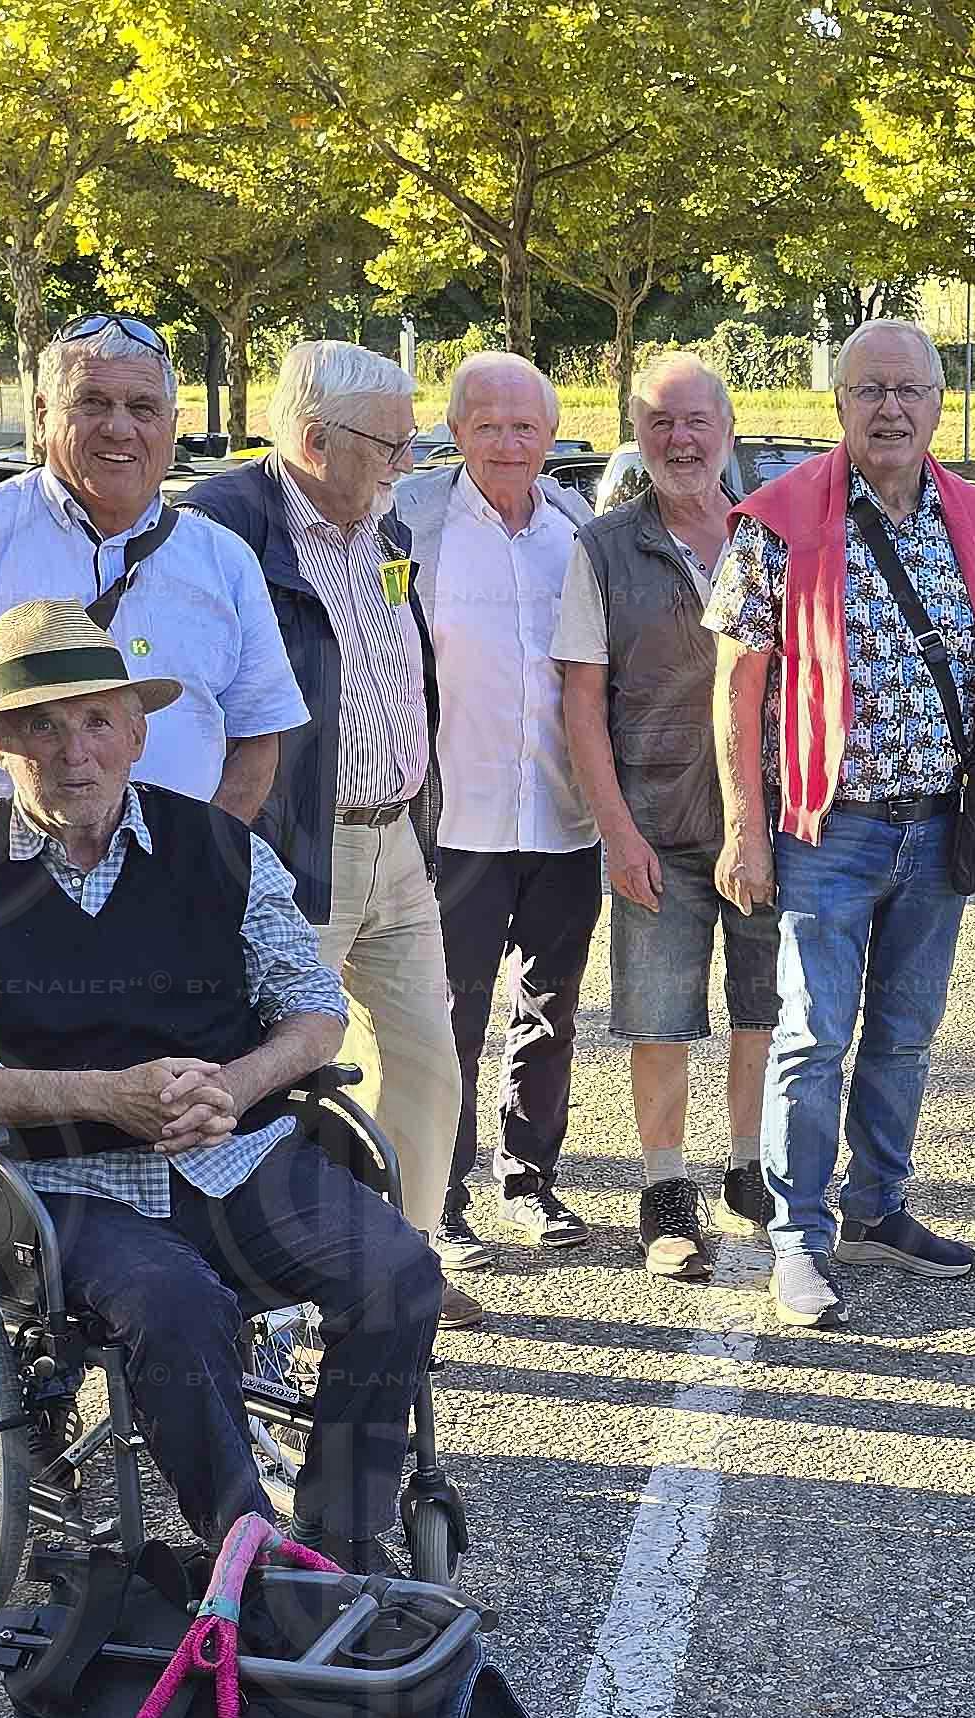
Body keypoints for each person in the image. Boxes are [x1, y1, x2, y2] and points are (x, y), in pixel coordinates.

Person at [0, 598, 442, 1575]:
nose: (73, 749)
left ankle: (341, 1533)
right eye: (41, 725)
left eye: (97, 719)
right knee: (175, 1306)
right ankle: (245, 1555)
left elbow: (311, 1007)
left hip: (230, 1149)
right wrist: (104, 1093)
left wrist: (238, 1081)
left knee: (395, 1271)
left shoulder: (216, 850)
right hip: (57, 1185)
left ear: (137, 732)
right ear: (0, 742)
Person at [706, 317, 975, 1328]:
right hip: (827, 828)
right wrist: (743, 827)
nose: (889, 409)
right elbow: (736, 681)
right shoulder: (777, 519)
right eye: (868, 391)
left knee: (905, 1031)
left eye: (909, 391)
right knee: (813, 1036)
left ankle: (876, 1203)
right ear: (838, 405)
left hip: (941, 827)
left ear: (938, 404)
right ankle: (797, 1240)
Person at [0, 314, 305, 971]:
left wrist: (193, 872)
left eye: (142, 407)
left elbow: (256, 741)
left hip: (168, 912)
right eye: (92, 403)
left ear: (172, 423)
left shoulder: (225, 561)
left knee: (171, 1075)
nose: (120, 427)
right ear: (42, 414)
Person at [182, 341, 479, 1330]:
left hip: (396, 841)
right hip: (289, 851)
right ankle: (281, 1290)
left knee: (428, 1063)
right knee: (282, 1076)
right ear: (314, 440)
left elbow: (402, 673)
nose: (405, 465)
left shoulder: (382, 527)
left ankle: (407, 1263)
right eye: (390, 446)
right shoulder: (223, 532)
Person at [556, 352, 775, 1278]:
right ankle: (665, 1189)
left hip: (767, 820)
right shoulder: (604, 548)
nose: (679, 440)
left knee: (765, 1008)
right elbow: (579, 702)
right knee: (659, 1017)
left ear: (728, 428)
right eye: (659, 424)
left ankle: (750, 1169)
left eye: (695, 421)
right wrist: (616, 830)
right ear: (636, 436)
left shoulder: (773, 534)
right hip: (656, 823)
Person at [394, 353, 600, 1265]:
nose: (509, 443)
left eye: (526, 427)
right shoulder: (413, 526)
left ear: (551, 437)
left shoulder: (578, 530)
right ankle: (441, 1193)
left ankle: (531, 1178)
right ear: (456, 431)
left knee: (552, 1009)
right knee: (451, 1015)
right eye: (488, 425)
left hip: (563, 817)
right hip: (457, 819)